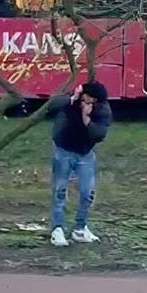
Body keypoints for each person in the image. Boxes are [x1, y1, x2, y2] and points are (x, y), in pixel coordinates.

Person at [47, 81, 112, 247]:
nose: (86, 103)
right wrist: (73, 98)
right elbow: (51, 105)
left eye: (91, 102)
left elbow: (99, 134)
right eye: (85, 99)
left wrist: (87, 119)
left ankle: (80, 228)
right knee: (60, 190)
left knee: (87, 192)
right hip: (64, 150)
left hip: (85, 154)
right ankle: (57, 229)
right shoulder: (71, 101)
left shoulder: (102, 110)